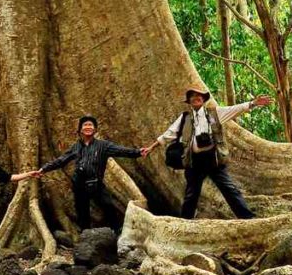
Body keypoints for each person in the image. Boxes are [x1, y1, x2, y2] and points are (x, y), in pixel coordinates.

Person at [142, 87, 273, 219]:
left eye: (199, 95)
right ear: (189, 101)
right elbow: (168, 134)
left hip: (213, 159)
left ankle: (247, 217)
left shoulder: (214, 113)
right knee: (191, 194)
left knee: (229, 189)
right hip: (194, 161)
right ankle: (185, 222)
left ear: (204, 99)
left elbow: (234, 109)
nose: (196, 97)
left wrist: (253, 103)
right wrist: (150, 148)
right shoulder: (185, 118)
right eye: (192, 96)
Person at [35, 116, 143, 232]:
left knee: (108, 206)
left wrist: (138, 152)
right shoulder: (76, 147)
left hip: (96, 184)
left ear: (95, 129)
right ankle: (85, 238)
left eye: (90, 125)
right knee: (82, 213)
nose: (88, 127)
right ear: (80, 130)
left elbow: (121, 150)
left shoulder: (103, 145)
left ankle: (116, 232)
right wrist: (44, 169)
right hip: (79, 185)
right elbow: (61, 160)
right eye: (85, 125)